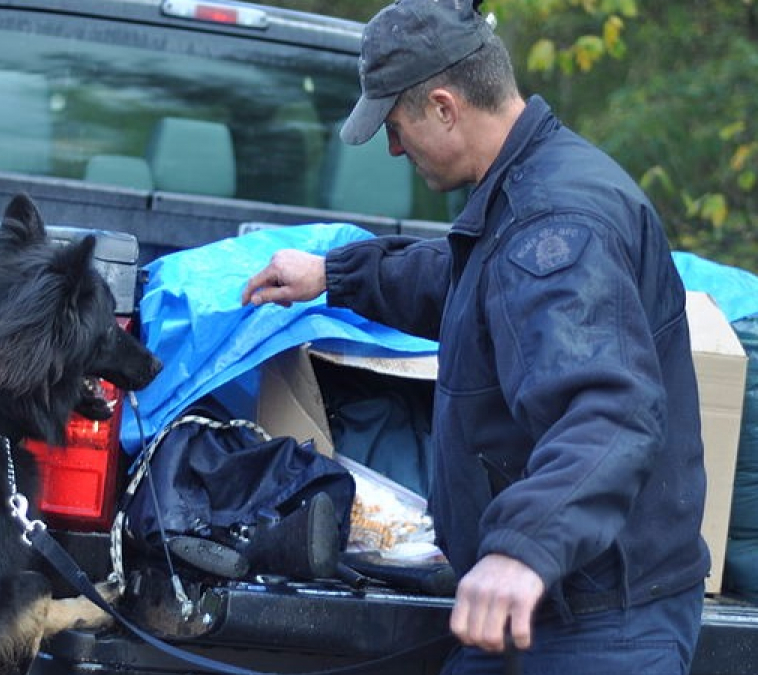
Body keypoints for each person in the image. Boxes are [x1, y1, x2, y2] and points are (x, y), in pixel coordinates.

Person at [241, 0, 709, 673]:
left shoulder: (555, 226)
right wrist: (333, 273)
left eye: (396, 127)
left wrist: (522, 547)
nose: (394, 148)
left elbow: (610, 409)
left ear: (444, 106)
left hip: (599, 620)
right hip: (545, 602)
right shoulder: (527, 190)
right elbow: (465, 279)